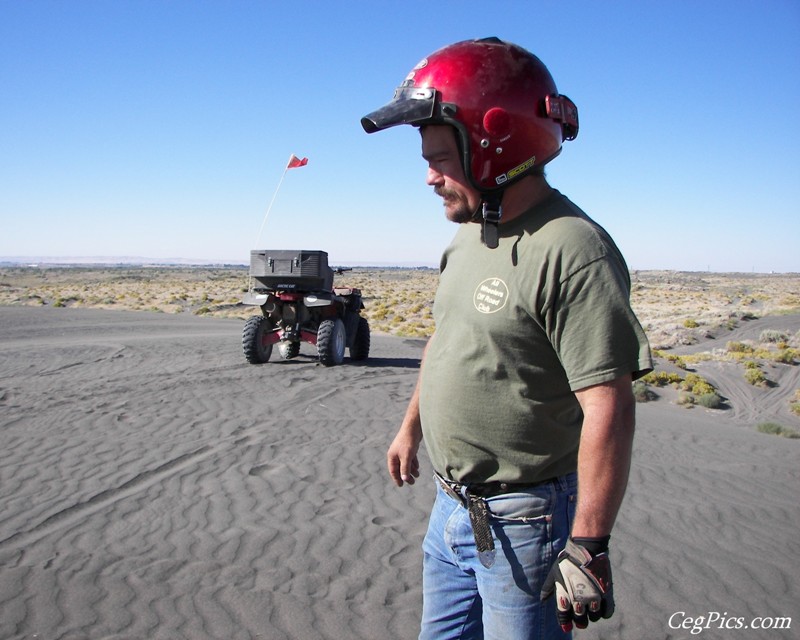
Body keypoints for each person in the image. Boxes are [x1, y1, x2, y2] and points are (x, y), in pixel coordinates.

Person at [361, 37, 652, 640]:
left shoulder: (573, 249)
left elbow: (610, 404)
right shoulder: (468, 234)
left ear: (494, 146)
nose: (428, 178)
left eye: (441, 157)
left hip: (527, 523)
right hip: (450, 507)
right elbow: (450, 341)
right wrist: (411, 427)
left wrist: (590, 542)